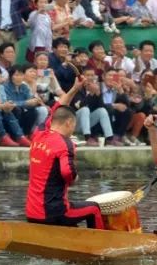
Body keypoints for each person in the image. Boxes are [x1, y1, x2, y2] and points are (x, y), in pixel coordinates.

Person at [25, 78, 105, 228]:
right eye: (73, 125)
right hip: (54, 212)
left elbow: (58, 107)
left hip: (32, 212)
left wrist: (75, 88)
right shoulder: (65, 143)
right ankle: (101, 246)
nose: (73, 129)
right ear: (69, 123)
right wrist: (76, 177)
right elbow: (68, 173)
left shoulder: (38, 133)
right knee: (94, 208)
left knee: (73, 219)